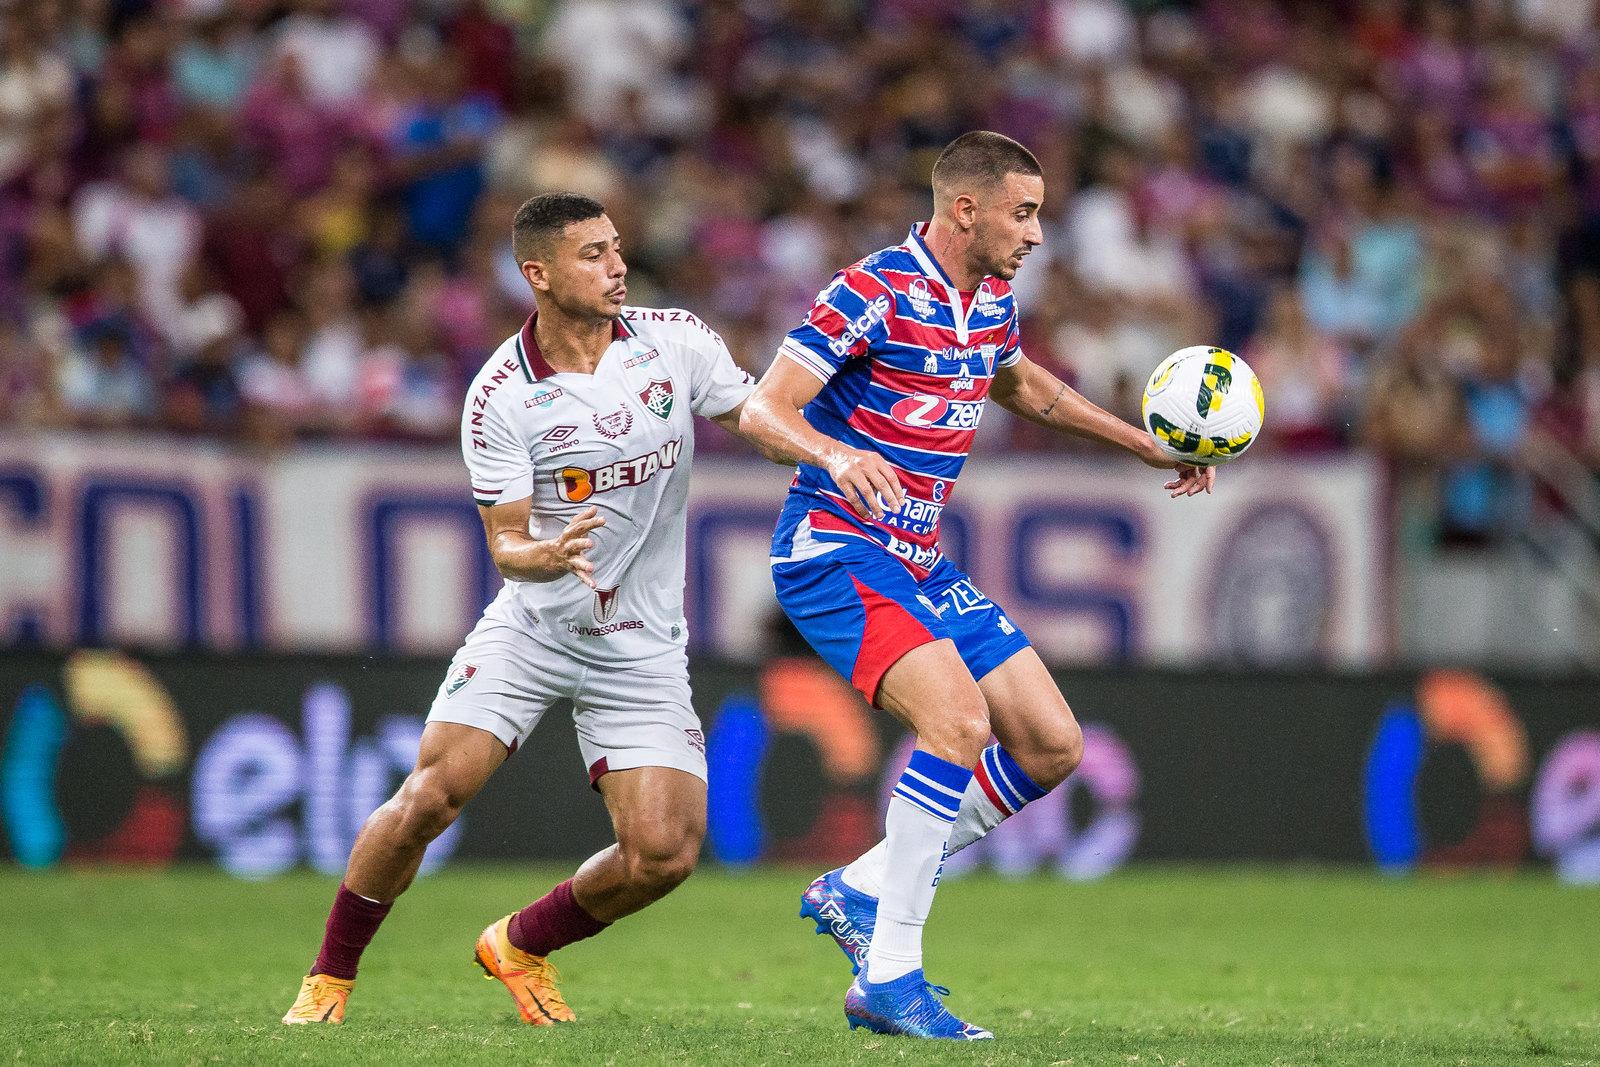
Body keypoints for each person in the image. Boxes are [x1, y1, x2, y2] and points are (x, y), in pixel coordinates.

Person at [738, 131, 1216, 1040]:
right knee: (958, 723)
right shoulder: (872, 289)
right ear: (967, 209)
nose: (1038, 234)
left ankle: (862, 885)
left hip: (918, 559)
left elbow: (1024, 387)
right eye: (1024, 212)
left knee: (1049, 744)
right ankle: (891, 975)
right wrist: (837, 453)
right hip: (833, 549)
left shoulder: (992, 297)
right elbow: (765, 408)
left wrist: (1144, 442)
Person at [282, 192, 761, 1026]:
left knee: (664, 854)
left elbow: (755, 410)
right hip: (534, 627)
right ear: (537, 273)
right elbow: (503, 540)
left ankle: (519, 941)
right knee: (429, 796)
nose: (616, 266)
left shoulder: (673, 340)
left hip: (641, 645)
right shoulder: (500, 393)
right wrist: (538, 555)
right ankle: (328, 977)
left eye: (617, 247)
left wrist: (831, 453)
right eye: (592, 254)